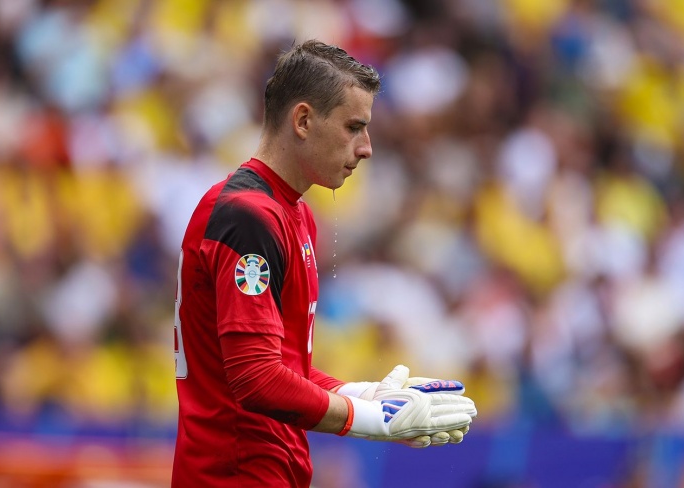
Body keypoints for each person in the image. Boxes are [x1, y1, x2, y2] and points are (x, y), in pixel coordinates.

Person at [171, 39, 477, 487]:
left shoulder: (292, 213)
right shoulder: (248, 217)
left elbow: (284, 366)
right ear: (303, 120)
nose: (367, 147)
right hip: (233, 475)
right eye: (354, 127)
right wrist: (376, 419)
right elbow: (256, 378)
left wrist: (364, 393)